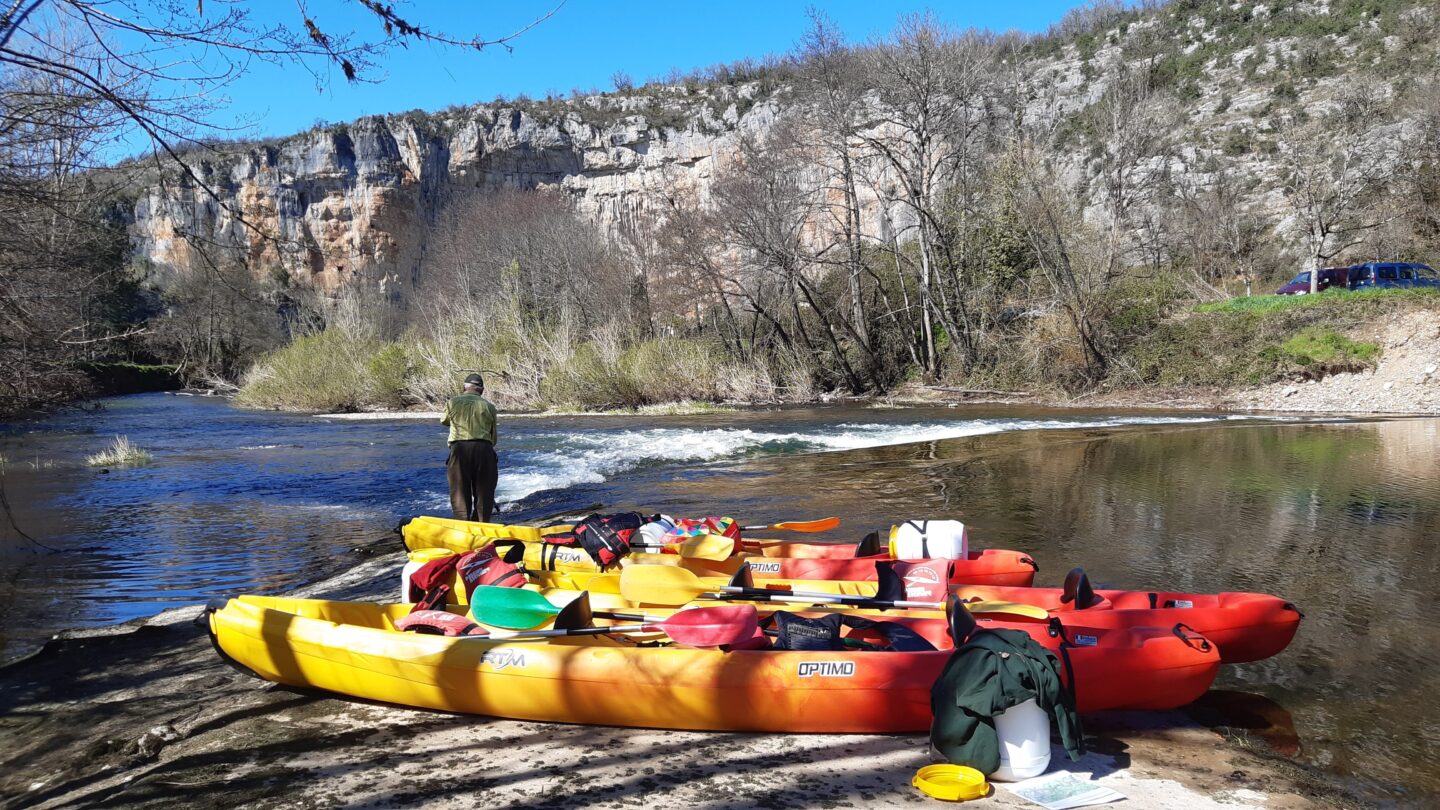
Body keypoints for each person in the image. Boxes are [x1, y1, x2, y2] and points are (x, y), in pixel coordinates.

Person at [442, 372, 498, 522]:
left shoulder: (452, 403)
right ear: (481, 390)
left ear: (464, 388)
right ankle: (482, 525)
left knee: (459, 491)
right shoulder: (489, 406)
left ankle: (462, 524)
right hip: (484, 449)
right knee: (484, 492)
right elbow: (493, 435)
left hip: (459, 449)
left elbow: (444, 421)